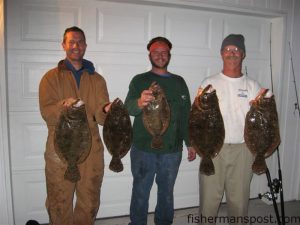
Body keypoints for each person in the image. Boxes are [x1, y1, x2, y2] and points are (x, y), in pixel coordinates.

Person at [39, 26, 110, 225]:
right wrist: (63, 106)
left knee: (89, 199)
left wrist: (107, 110)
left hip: (92, 148)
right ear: (64, 45)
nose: (76, 46)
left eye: (80, 41)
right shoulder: (50, 78)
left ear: (85, 45)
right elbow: (47, 112)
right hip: (59, 148)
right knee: (59, 200)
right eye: (71, 41)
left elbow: (100, 116)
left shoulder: (97, 80)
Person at [124, 36, 197, 225]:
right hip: (142, 149)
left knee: (166, 193)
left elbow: (186, 116)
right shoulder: (139, 80)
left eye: (164, 52)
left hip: (171, 151)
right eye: (156, 52)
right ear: (149, 54)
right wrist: (140, 102)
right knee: (140, 191)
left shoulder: (179, 82)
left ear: (169, 55)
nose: (160, 55)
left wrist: (190, 143)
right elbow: (128, 108)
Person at [198, 34, 262, 225]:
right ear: (221, 54)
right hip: (212, 149)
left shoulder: (253, 86)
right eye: (228, 50)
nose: (232, 53)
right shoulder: (208, 83)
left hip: (244, 149)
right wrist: (196, 144)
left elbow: (264, 120)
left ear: (243, 54)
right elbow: (197, 119)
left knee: (239, 203)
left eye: (236, 50)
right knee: (209, 201)